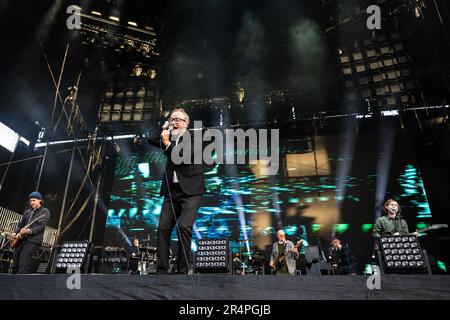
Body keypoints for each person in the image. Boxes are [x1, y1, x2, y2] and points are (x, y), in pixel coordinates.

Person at [148, 108, 205, 274]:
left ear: (186, 123)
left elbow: (182, 157)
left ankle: (183, 269)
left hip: (191, 191)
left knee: (184, 227)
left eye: (178, 120)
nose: (175, 122)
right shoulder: (168, 135)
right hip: (171, 191)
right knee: (163, 228)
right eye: (172, 119)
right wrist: (164, 126)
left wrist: (166, 143)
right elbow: (151, 138)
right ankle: (162, 270)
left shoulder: (195, 138)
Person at [12, 191, 50, 274]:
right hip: (21, 239)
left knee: (23, 263)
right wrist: (15, 232)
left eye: (34, 200)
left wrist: (30, 231)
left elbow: (41, 226)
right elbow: (20, 225)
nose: (31, 202)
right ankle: (12, 281)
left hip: (33, 240)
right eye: (30, 201)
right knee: (15, 261)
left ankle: (20, 284)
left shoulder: (44, 212)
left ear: (40, 200)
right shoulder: (28, 212)